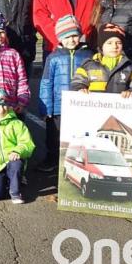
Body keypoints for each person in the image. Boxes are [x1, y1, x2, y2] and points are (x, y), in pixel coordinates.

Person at [37, 15, 92, 172]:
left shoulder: (89, 55)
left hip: (81, 106)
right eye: (66, 37)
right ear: (60, 38)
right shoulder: (53, 57)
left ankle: (77, 163)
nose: (71, 40)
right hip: (58, 107)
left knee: (79, 137)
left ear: (80, 34)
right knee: (54, 136)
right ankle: (52, 159)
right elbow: (46, 82)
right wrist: (45, 108)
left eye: (74, 35)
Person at [70, 24, 132, 96]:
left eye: (118, 43)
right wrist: (79, 88)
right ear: (101, 46)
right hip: (95, 109)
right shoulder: (88, 66)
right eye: (109, 43)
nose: (114, 46)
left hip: (121, 108)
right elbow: (77, 82)